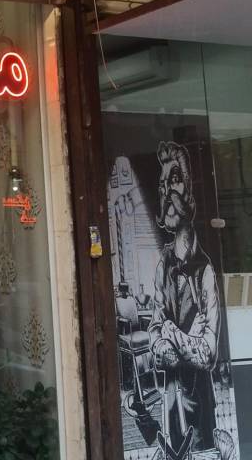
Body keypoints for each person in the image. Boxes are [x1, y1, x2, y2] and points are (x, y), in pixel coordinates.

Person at [149, 141, 220, 454]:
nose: (168, 191)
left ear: (189, 191)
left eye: (175, 179)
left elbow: (207, 354)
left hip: (199, 406)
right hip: (171, 402)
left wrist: (172, 333)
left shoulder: (205, 271)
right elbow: (155, 335)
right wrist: (183, 339)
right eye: (163, 184)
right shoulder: (163, 266)